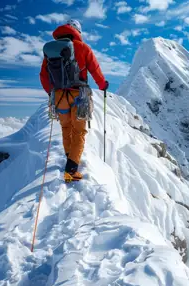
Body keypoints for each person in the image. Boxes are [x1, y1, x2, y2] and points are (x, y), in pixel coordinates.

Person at [40, 19, 109, 182]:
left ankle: (69, 158)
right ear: (78, 31)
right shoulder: (83, 48)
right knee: (79, 131)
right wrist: (102, 84)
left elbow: (43, 75)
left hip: (59, 96)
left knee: (66, 127)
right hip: (80, 95)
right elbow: (94, 69)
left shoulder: (51, 51)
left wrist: (52, 93)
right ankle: (71, 170)